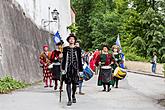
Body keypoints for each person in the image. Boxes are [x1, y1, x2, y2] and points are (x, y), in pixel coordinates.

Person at [62, 34, 83, 106]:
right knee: (68, 83)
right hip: (67, 69)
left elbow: (80, 60)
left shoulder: (78, 49)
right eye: (70, 39)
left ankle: (73, 95)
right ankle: (69, 99)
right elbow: (64, 60)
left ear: (74, 40)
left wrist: (80, 70)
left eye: (73, 39)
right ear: (68, 40)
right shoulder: (65, 49)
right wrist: (62, 69)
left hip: (75, 69)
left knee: (74, 84)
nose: (71, 40)